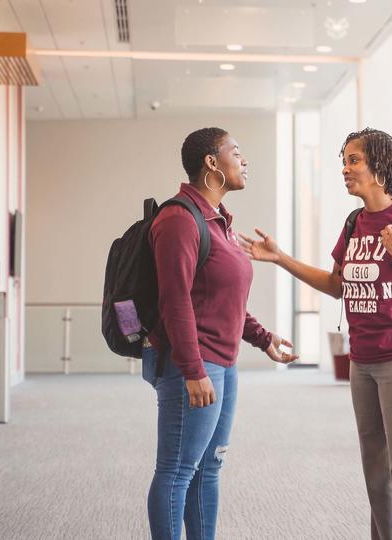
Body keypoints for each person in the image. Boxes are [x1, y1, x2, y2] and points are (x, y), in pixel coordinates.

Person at [240, 128, 392, 539]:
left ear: (379, 168)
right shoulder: (355, 222)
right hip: (365, 359)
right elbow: (337, 284)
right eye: (345, 159)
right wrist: (280, 258)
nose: (345, 168)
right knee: (377, 467)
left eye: (354, 160)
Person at [145, 127, 298, 540]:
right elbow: (174, 301)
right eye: (236, 151)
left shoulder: (221, 222)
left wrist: (264, 339)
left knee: (208, 466)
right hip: (193, 365)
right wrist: (193, 369)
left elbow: (223, 302)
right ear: (211, 163)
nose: (244, 159)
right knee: (177, 469)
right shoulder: (179, 219)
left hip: (224, 365)